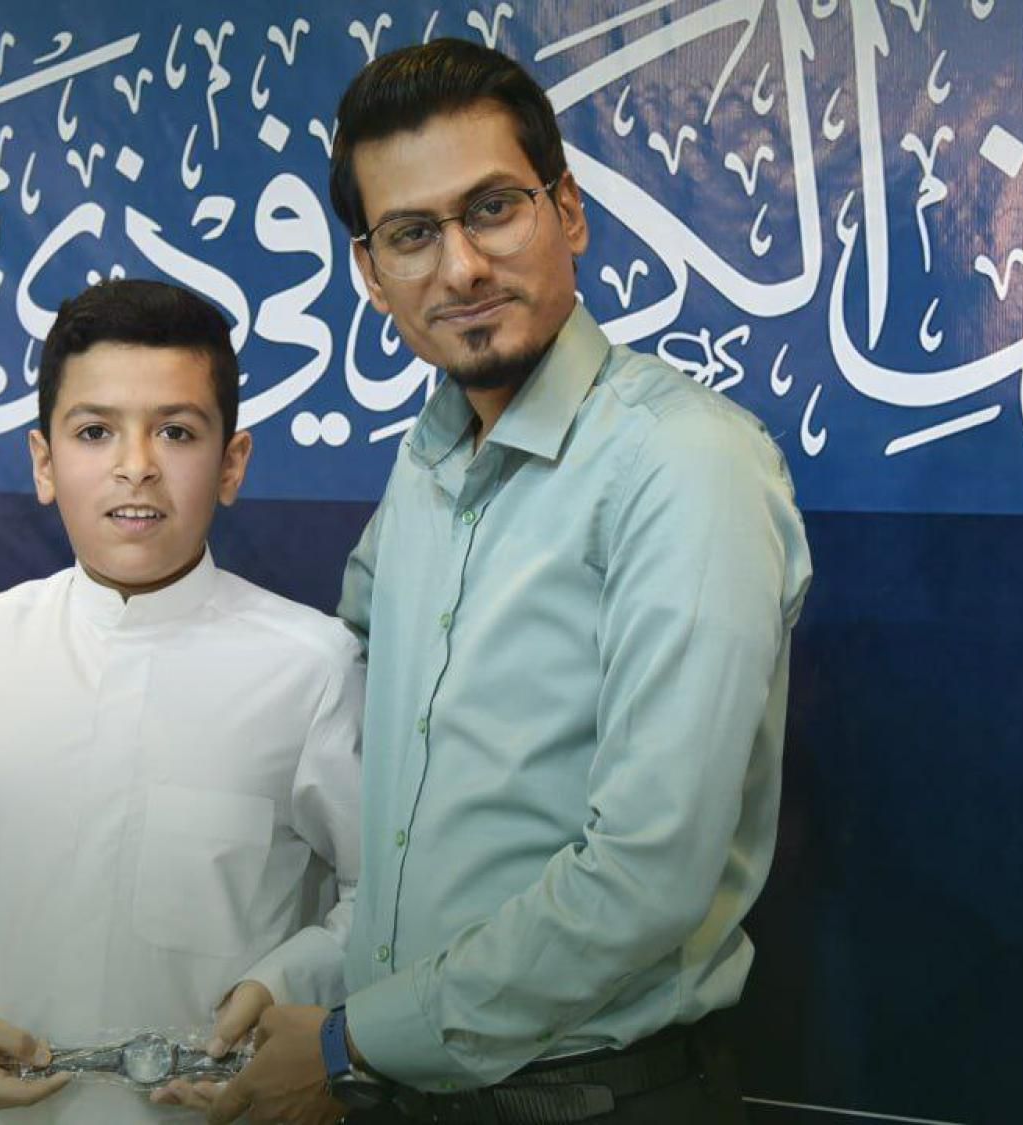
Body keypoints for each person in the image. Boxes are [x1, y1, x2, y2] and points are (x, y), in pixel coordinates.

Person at [210, 39, 812, 1125]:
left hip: (597, 1099)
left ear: (566, 212)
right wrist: (316, 983)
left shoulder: (683, 464)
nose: (461, 269)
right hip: (400, 1087)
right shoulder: (429, 461)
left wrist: (347, 1043)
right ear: (369, 273)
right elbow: (402, 804)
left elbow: (645, 875)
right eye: (411, 235)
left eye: (492, 209)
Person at [0, 279, 364, 1124]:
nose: (136, 465)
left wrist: (288, 982)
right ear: (44, 462)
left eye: (177, 431)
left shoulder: (317, 667)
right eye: (94, 432)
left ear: (232, 463)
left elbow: (386, 902)